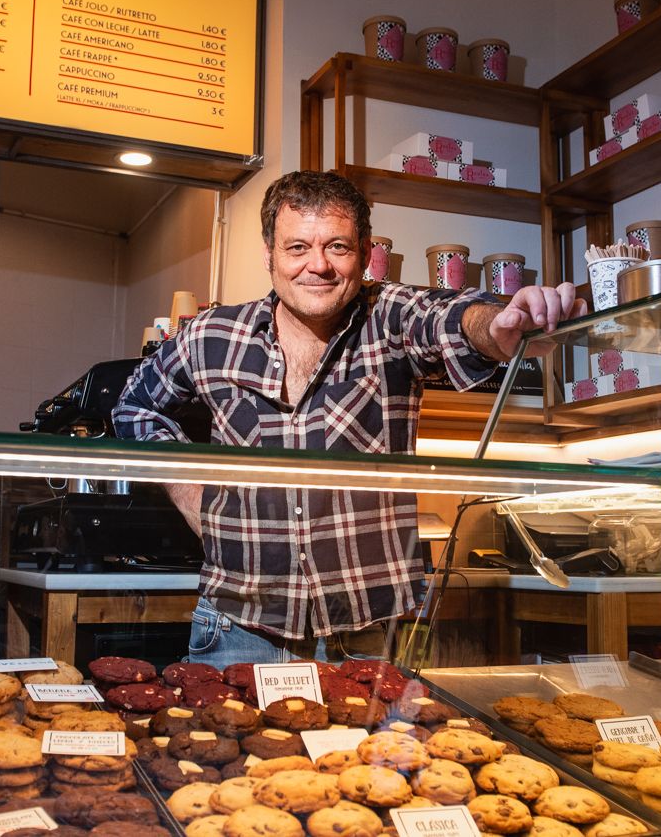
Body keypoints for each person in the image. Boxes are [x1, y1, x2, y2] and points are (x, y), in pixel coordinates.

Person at [113, 170, 586, 666]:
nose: (317, 266)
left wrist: (503, 324)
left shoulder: (390, 318)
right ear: (269, 254)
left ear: (363, 254)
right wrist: (190, 494)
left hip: (362, 639)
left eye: (336, 247)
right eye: (297, 248)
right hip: (237, 627)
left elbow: (454, 315)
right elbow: (133, 408)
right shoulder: (212, 335)